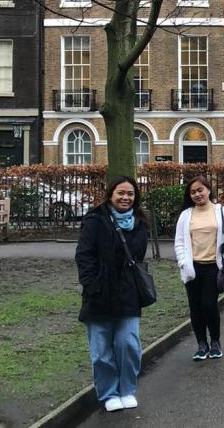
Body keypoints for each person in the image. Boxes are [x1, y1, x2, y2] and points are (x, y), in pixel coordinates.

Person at [75, 176, 149, 412]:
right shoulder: (95, 220)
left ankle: (127, 389)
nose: (125, 198)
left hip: (128, 293)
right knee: (101, 351)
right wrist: (91, 284)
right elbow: (84, 255)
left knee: (128, 344)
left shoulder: (139, 223)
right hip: (99, 293)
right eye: (121, 193)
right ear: (110, 195)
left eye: (130, 194)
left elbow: (138, 256)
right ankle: (109, 393)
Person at [174, 176, 224, 361]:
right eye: (193, 192)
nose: (197, 194)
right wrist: (183, 263)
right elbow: (179, 242)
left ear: (209, 190)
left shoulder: (222, 212)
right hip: (192, 268)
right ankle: (202, 344)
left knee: (209, 305)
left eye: (200, 190)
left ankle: (215, 341)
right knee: (195, 308)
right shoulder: (186, 215)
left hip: (213, 268)